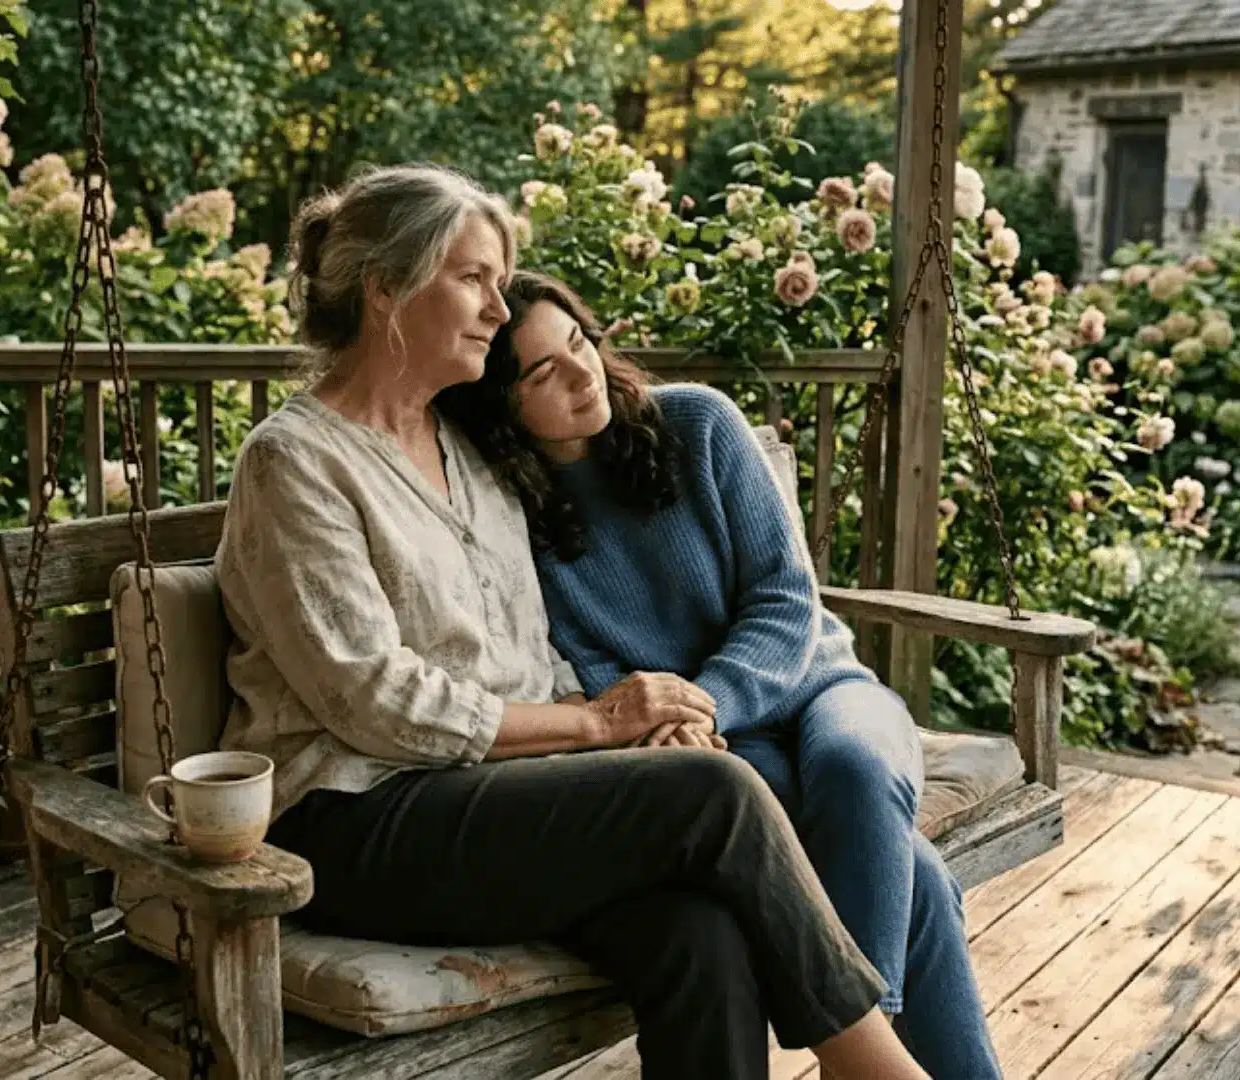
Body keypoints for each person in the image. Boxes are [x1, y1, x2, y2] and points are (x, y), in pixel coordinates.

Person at [213, 163, 934, 1080]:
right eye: (472, 278)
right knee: (711, 794)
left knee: (701, 932)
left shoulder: (469, 456)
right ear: (386, 289)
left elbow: (535, 651)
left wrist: (632, 735)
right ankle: (872, 1065)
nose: (494, 308)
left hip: (497, 804)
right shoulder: (295, 462)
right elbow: (370, 698)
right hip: (357, 817)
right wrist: (600, 725)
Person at [437, 270, 1005, 1080]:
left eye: (579, 344)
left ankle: (861, 1039)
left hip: (821, 686)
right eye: (542, 372)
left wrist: (710, 701)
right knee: (915, 874)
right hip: (708, 745)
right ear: (503, 406)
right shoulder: (520, 521)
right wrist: (684, 728)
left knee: (855, 768)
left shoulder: (697, 423)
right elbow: (593, 665)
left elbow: (783, 596)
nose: (579, 373)